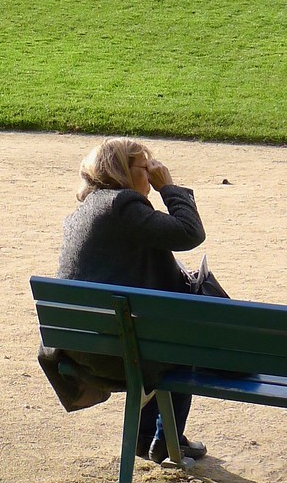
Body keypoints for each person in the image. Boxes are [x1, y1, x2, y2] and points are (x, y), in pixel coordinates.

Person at [54, 136, 208, 464]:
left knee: (151, 334)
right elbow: (189, 233)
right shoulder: (122, 204)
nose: (152, 170)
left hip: (81, 349)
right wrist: (168, 186)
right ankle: (165, 439)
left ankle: (156, 438)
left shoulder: (84, 211)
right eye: (146, 166)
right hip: (119, 354)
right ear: (122, 171)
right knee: (184, 345)